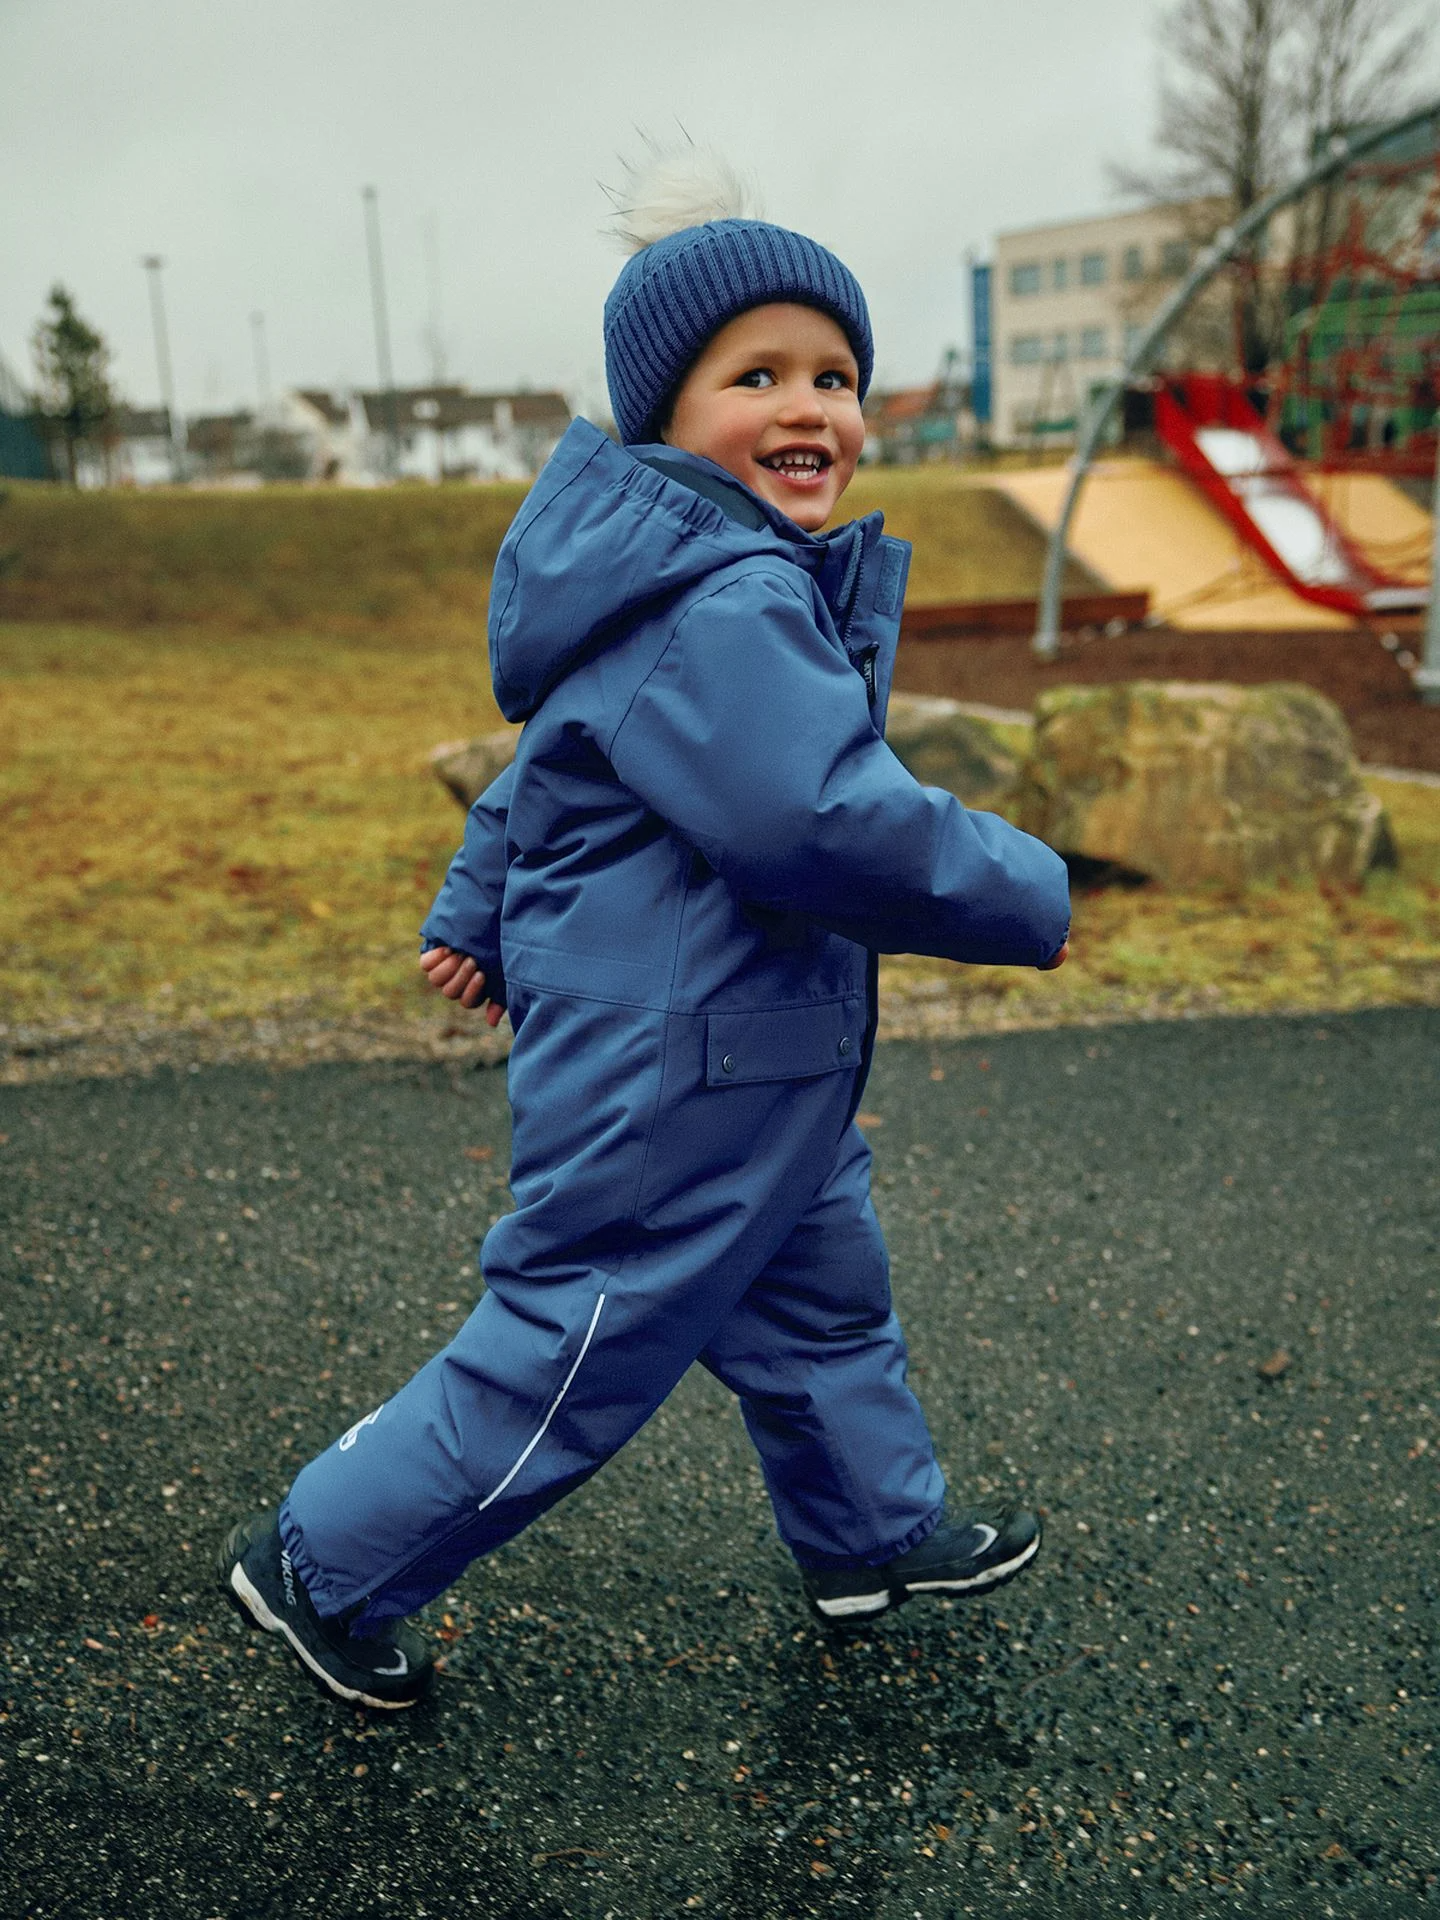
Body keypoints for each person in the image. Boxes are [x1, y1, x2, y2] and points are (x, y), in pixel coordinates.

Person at [219, 154, 1071, 1710]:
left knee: (821, 1303)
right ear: (664, 414)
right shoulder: (723, 602)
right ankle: (320, 1562)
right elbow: (822, 818)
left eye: (834, 376)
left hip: (757, 1045)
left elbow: (548, 770)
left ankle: (872, 1534)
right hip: (672, 1068)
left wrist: (475, 905)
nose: (810, 408)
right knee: (579, 1336)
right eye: (758, 377)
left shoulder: (683, 576)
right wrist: (1028, 887)